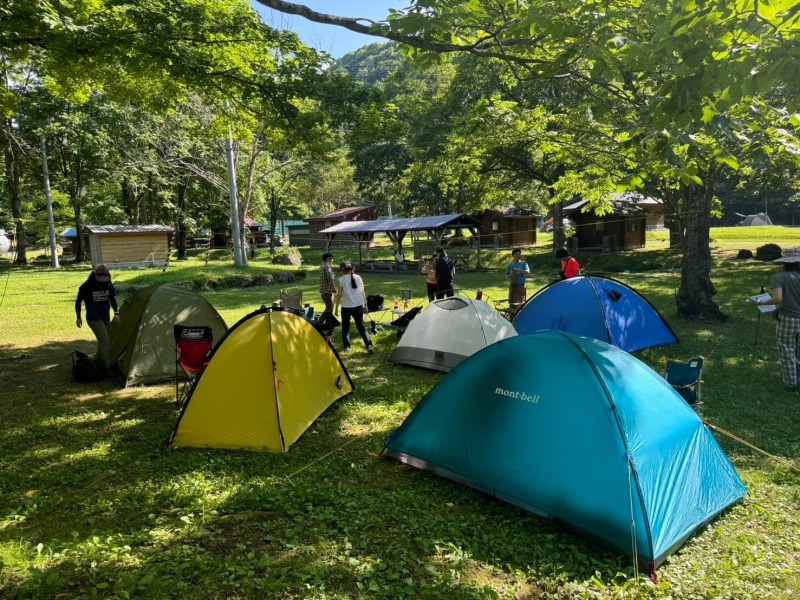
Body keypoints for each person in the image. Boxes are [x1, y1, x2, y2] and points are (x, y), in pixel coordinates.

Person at [750, 247, 800, 390]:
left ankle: (791, 383)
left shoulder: (779, 277)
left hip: (788, 318)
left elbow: (777, 298)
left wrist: (760, 302)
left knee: (787, 350)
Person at [75, 264, 119, 375]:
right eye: (101, 279)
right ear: (94, 275)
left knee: (108, 340)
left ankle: (99, 361)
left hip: (105, 317)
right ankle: (106, 367)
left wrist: (116, 312)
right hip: (93, 318)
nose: (103, 282)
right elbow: (78, 302)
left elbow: (112, 299)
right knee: (105, 340)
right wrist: (78, 317)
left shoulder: (108, 284)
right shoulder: (86, 286)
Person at [334, 262, 374, 354]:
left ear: (343, 270)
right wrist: (365, 305)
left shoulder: (341, 280)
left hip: (346, 307)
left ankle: (347, 347)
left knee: (345, 327)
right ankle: (369, 345)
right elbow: (363, 292)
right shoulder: (359, 277)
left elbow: (339, 295)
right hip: (358, 305)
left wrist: (336, 308)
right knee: (361, 326)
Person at [505, 248, 530, 316]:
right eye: (516, 254)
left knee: (521, 303)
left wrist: (519, 270)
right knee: (512, 302)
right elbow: (506, 276)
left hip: (521, 286)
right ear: (513, 255)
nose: (518, 255)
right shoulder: (510, 265)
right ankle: (511, 316)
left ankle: (520, 316)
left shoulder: (523, 264)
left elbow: (527, 272)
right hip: (513, 286)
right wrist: (511, 275)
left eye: (519, 254)